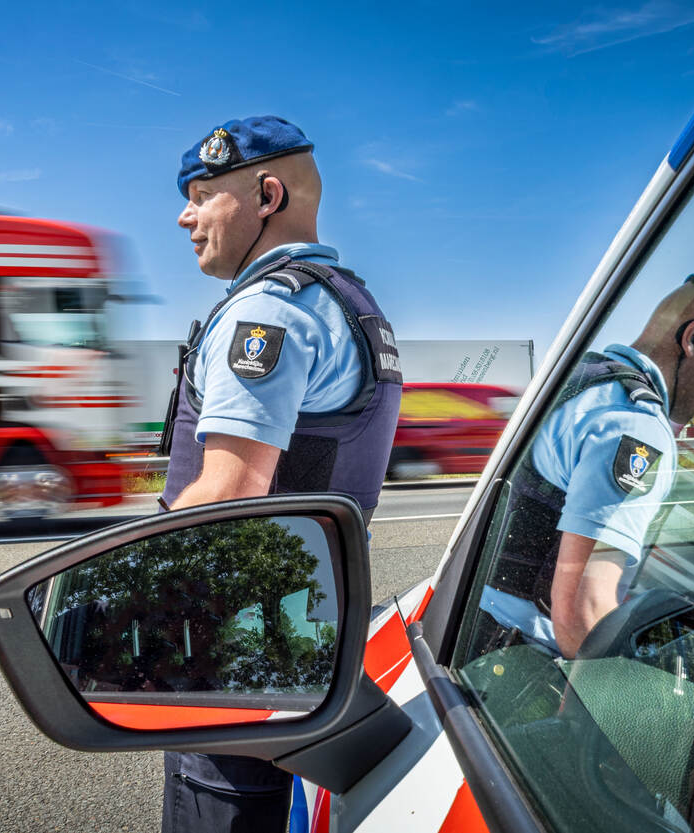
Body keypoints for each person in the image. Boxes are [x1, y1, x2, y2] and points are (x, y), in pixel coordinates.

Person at [157, 115, 403, 833]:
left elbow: (229, 495)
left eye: (202, 194)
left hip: (238, 670)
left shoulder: (264, 312)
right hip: (307, 653)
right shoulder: (349, 303)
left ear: (267, 196)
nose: (184, 215)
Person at [480, 268, 694, 659]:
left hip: (478, 628)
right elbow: (582, 618)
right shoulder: (637, 428)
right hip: (514, 664)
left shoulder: (583, 382)